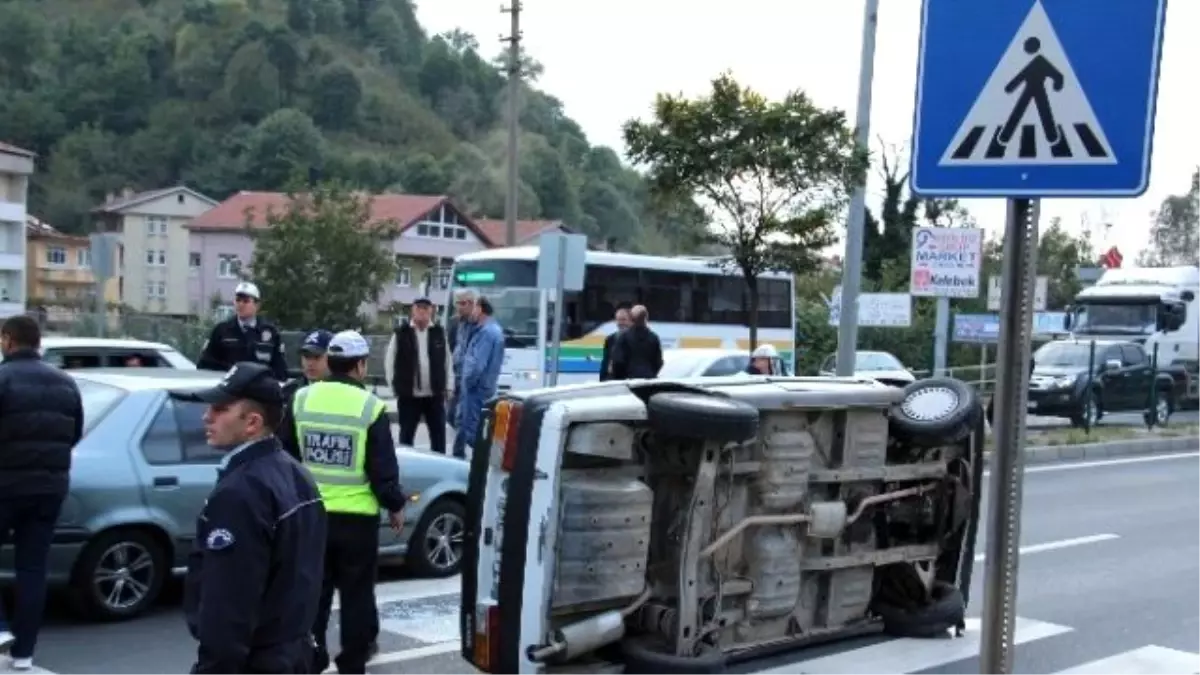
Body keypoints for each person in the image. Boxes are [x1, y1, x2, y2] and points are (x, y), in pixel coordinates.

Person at [171, 362, 326, 675]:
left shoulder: (239, 493)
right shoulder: (297, 474)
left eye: (220, 409)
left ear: (252, 423)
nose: (207, 416)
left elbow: (229, 606)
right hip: (292, 652)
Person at [277, 331, 406, 675]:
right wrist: (395, 504)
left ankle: (313, 656)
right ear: (361, 365)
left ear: (329, 362)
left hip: (312, 519)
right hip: (357, 522)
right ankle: (352, 663)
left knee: (313, 597)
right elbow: (382, 471)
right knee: (356, 598)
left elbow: (285, 458)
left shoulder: (301, 399)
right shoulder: (370, 407)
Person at [0, 315, 83, 671]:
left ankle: (1, 628)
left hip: (5, 487)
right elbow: (75, 432)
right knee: (33, 567)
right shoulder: (66, 383)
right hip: (50, 489)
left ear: (8, 340)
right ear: (37, 343)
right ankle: (24, 654)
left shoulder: (2, 378)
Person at [385, 297, 453, 454]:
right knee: (406, 435)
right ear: (413, 310)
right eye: (418, 308)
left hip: (434, 395)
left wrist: (449, 386)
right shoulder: (401, 333)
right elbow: (390, 362)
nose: (422, 312)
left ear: (431, 311)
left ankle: (439, 465)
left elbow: (448, 362)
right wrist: (393, 387)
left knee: (438, 436)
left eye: (426, 308)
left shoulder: (438, 333)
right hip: (409, 395)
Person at [197, 282, 288, 381]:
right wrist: (232, 372)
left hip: (260, 390)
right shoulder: (222, 330)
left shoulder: (270, 332)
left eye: (246, 301)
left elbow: (280, 370)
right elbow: (205, 364)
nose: (240, 304)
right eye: (238, 300)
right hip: (229, 389)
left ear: (257, 305)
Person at [453, 296, 505, 459]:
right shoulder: (491, 330)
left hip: (476, 389)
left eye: (472, 307)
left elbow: (477, 365)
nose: (470, 312)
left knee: (472, 432)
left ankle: (485, 465)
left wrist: (467, 383)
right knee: (466, 426)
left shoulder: (486, 333)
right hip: (482, 388)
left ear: (480, 308)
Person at [279, 329, 333, 462]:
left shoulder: (346, 394)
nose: (310, 363)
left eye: (317, 357)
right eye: (306, 357)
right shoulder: (288, 392)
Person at [448, 289, 479, 429]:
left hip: (473, 379)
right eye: (457, 303)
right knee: (451, 416)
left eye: (462, 303)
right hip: (456, 376)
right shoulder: (454, 322)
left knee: (465, 419)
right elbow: (449, 347)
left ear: (473, 304)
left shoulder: (481, 324)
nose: (459, 307)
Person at [610, 305, 663, 380]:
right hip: (649, 379)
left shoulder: (623, 337)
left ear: (631, 318)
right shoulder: (653, 337)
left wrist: (620, 377)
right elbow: (658, 362)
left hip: (629, 380)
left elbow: (618, 361)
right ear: (646, 318)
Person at [598, 305, 632, 382]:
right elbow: (605, 362)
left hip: (627, 380)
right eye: (618, 320)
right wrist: (602, 380)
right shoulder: (610, 339)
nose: (620, 323)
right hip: (611, 380)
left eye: (624, 320)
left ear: (631, 321)